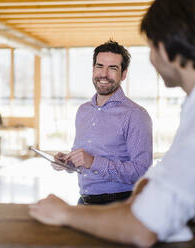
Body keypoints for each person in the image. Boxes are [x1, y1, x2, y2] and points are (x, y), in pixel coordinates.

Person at [29, 0, 195, 247]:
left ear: (164, 46)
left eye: (150, 46)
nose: (152, 60)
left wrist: (64, 212)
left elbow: (144, 227)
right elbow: (175, 173)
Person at [53, 40, 153, 205]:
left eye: (112, 68)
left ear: (124, 74)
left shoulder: (136, 115)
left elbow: (141, 171)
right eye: (99, 66)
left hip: (119, 205)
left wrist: (93, 162)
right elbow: (83, 160)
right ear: (93, 69)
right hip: (84, 202)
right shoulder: (83, 111)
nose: (104, 74)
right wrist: (67, 162)